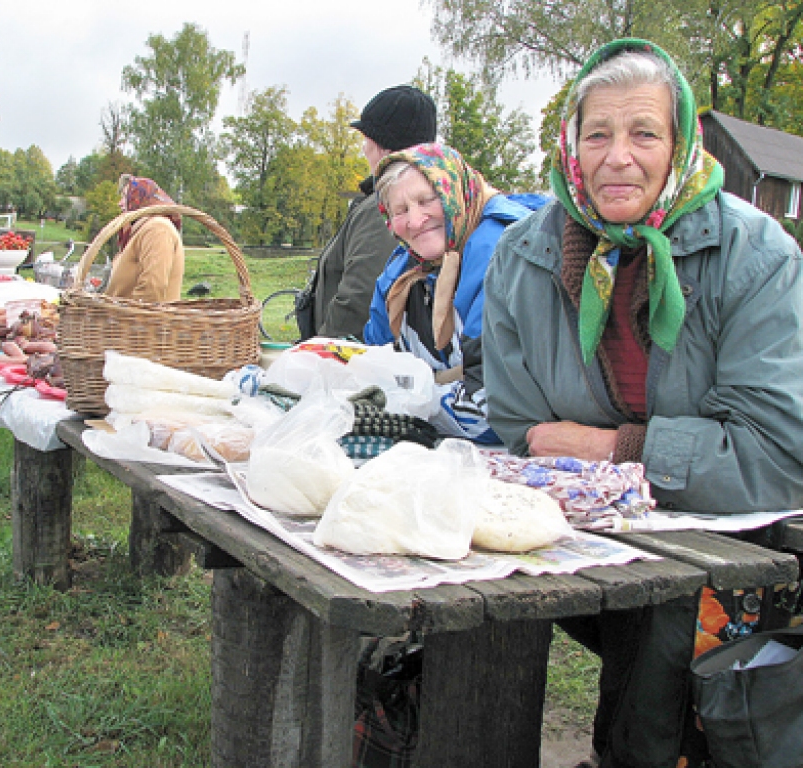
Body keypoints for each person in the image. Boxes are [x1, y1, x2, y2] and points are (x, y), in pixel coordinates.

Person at [482, 39, 803, 768]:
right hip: (598, 521)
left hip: (734, 531)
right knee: (476, 594)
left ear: (681, 142)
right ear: (571, 145)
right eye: (597, 134)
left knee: (670, 610)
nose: (617, 157)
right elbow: (519, 420)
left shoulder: (757, 258)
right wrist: (614, 453)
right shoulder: (524, 256)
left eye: (643, 133)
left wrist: (615, 449)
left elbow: (776, 456)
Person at [364, 143, 547, 442]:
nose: (415, 220)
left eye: (427, 200)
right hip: (443, 442)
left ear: (454, 192)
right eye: (400, 210)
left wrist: (400, 404)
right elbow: (372, 362)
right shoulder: (402, 270)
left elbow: (494, 407)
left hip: (511, 446)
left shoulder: (501, 253)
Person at [296, 85, 437, 341]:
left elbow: (359, 297)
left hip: (351, 363)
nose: (363, 149)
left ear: (382, 146)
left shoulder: (384, 207)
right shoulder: (417, 202)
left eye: (366, 140)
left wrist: (318, 354)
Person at [104, 174, 184, 301]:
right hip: (121, 318)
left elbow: (152, 287)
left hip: (141, 319)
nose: (119, 203)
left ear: (139, 197)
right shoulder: (140, 230)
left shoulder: (158, 229)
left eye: (125, 197)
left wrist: (136, 317)